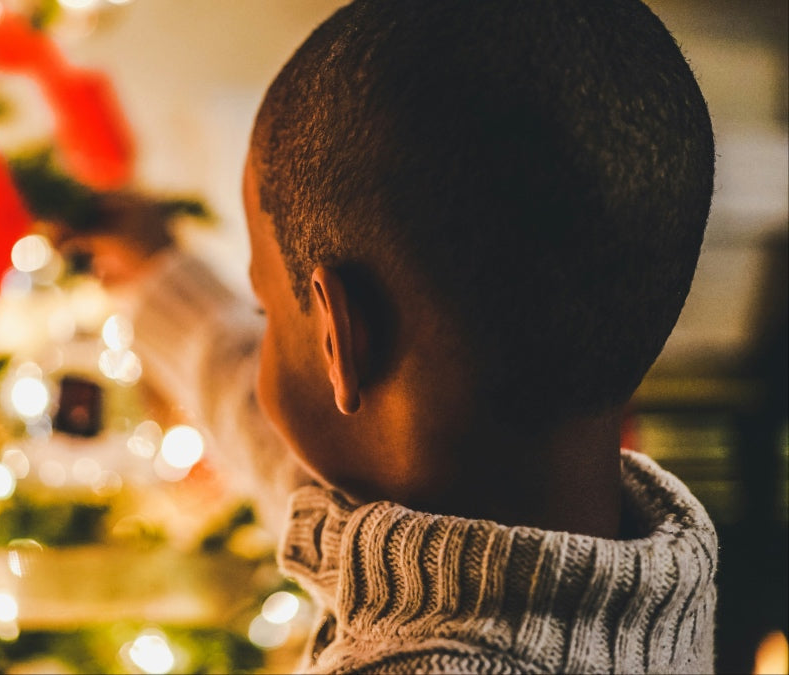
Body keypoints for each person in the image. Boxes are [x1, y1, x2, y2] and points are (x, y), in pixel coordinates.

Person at [62, 0, 718, 672]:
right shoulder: (641, 581)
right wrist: (156, 274)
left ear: (340, 339)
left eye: (268, 311)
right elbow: (293, 451)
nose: (261, 337)